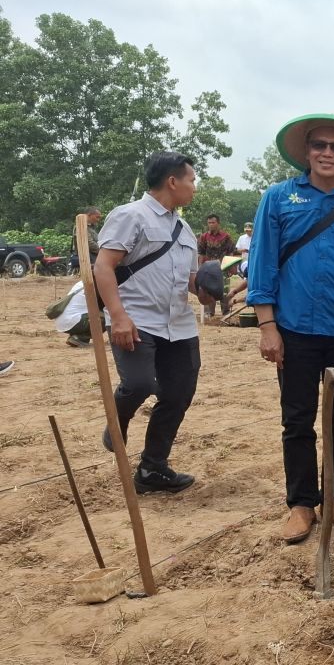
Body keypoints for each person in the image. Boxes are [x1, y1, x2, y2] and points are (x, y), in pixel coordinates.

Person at [247, 114, 334, 545]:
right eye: (320, 146)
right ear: (307, 152)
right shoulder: (278, 198)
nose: (327, 153)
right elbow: (262, 265)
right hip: (293, 330)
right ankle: (300, 503)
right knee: (297, 419)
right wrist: (267, 327)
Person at [94, 152, 212, 494]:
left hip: (179, 324)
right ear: (172, 182)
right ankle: (118, 420)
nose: (194, 188)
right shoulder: (130, 216)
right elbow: (103, 267)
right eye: (191, 180)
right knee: (141, 382)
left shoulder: (184, 228)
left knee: (178, 394)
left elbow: (189, 280)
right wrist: (117, 316)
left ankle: (153, 468)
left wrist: (204, 291)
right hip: (136, 319)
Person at [197, 215, 236, 318]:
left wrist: (231, 267)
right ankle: (209, 312)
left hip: (223, 267)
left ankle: (226, 311)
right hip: (208, 268)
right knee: (207, 289)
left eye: (213, 222)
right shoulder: (204, 236)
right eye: (209, 223)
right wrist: (200, 267)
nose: (211, 225)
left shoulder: (226, 236)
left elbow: (231, 252)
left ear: (218, 223)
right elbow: (201, 253)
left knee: (224, 290)